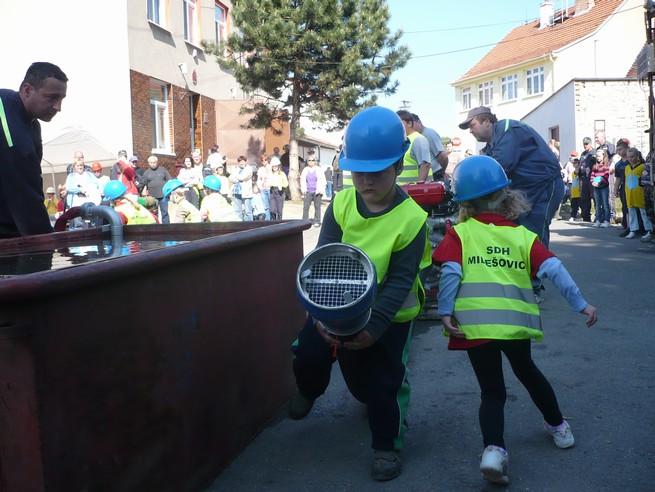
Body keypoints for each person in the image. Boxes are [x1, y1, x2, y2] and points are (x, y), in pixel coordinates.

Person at [432, 155, 598, 486]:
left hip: (475, 328)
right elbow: (554, 269)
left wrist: (445, 311)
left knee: (492, 391)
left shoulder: (460, 234)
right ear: (506, 196)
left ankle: (494, 452)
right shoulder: (523, 237)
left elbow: (450, 273)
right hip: (514, 326)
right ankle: (559, 428)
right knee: (529, 374)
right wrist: (580, 303)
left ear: (464, 202)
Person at [288, 106, 431, 482]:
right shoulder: (341, 203)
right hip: (336, 300)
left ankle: (386, 446)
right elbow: (322, 259)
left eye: (377, 172)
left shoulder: (412, 219)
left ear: (399, 166)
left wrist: (377, 325)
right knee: (308, 352)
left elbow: (401, 280)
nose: (365, 181)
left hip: (390, 312)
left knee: (384, 382)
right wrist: (319, 317)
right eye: (358, 172)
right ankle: (309, 388)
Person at [459, 106, 564, 250]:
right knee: (517, 230)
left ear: (487, 121)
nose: (470, 131)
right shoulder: (491, 145)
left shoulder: (507, 130)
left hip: (546, 185)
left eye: (472, 125)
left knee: (534, 231)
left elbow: (500, 167)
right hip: (527, 189)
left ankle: (541, 269)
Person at [0, 62, 67, 238]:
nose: (58, 107)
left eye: (61, 100)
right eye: (51, 98)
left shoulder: (31, 122)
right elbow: (25, 201)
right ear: (28, 90)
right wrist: (48, 243)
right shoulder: (13, 133)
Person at [625, 147, 653, 241]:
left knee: (643, 212)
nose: (630, 159)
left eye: (632, 157)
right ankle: (633, 229)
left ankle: (648, 229)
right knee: (632, 212)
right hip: (630, 193)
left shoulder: (642, 167)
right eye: (628, 157)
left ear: (637, 156)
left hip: (640, 193)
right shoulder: (627, 168)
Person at [396, 109, 431, 184]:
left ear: (409, 123)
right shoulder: (403, 140)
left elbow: (425, 165)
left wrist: (419, 188)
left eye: (400, 123)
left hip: (414, 192)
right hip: (405, 190)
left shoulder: (419, 139)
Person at [412, 114, 448, 180]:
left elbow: (443, 156)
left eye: (413, 124)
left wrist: (442, 172)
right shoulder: (418, 136)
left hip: (436, 174)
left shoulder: (429, 134)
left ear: (419, 122)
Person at [142, 155, 172, 223]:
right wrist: (145, 195)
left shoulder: (163, 170)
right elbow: (144, 185)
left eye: (154, 162)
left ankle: (167, 227)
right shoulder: (146, 173)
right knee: (154, 213)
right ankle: (155, 226)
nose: (153, 164)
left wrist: (168, 192)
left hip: (163, 195)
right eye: (151, 163)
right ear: (148, 163)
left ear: (157, 162)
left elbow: (169, 180)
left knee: (165, 212)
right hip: (152, 196)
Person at [300, 154, 326, 227]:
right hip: (308, 191)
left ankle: (317, 221)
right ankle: (304, 221)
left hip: (317, 191)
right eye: (309, 160)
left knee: (317, 207)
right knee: (306, 207)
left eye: (312, 160)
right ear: (307, 162)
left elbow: (323, 180)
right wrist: (303, 189)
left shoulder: (319, 169)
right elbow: (302, 180)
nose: (311, 162)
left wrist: (322, 190)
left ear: (315, 162)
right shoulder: (305, 170)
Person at [590, 149, 611, 227]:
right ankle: (598, 220)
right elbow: (592, 175)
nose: (598, 158)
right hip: (596, 187)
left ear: (603, 156)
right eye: (597, 156)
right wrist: (592, 182)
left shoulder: (606, 165)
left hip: (604, 187)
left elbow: (606, 175)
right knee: (598, 204)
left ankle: (606, 220)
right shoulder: (595, 166)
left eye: (599, 156)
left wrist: (600, 181)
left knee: (605, 204)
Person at [230, 155, 254, 221]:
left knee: (248, 211)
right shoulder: (236, 169)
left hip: (246, 192)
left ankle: (249, 225)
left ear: (245, 162)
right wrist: (237, 179)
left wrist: (235, 176)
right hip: (237, 191)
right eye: (240, 162)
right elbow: (231, 178)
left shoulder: (249, 169)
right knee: (237, 210)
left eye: (243, 161)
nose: (241, 163)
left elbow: (243, 177)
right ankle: (239, 223)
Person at [579, 137, 596, 222]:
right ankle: (586, 217)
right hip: (583, 178)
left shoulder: (594, 152)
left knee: (595, 197)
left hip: (592, 177)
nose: (585, 145)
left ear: (590, 143)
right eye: (584, 144)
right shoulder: (583, 154)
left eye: (587, 143)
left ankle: (598, 216)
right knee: (584, 198)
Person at [256, 153, 272, 220]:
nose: (264, 161)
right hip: (263, 189)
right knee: (265, 206)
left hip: (270, 188)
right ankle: (267, 220)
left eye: (265, 160)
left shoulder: (272, 168)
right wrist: (260, 187)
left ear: (268, 160)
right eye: (262, 160)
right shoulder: (260, 169)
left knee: (272, 206)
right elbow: (259, 179)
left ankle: (274, 220)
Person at [568, 157, 582, 222]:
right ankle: (573, 216)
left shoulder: (579, 171)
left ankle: (581, 216)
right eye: (573, 163)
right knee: (573, 205)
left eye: (575, 163)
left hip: (579, 191)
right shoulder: (573, 172)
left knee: (581, 204)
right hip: (574, 190)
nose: (574, 164)